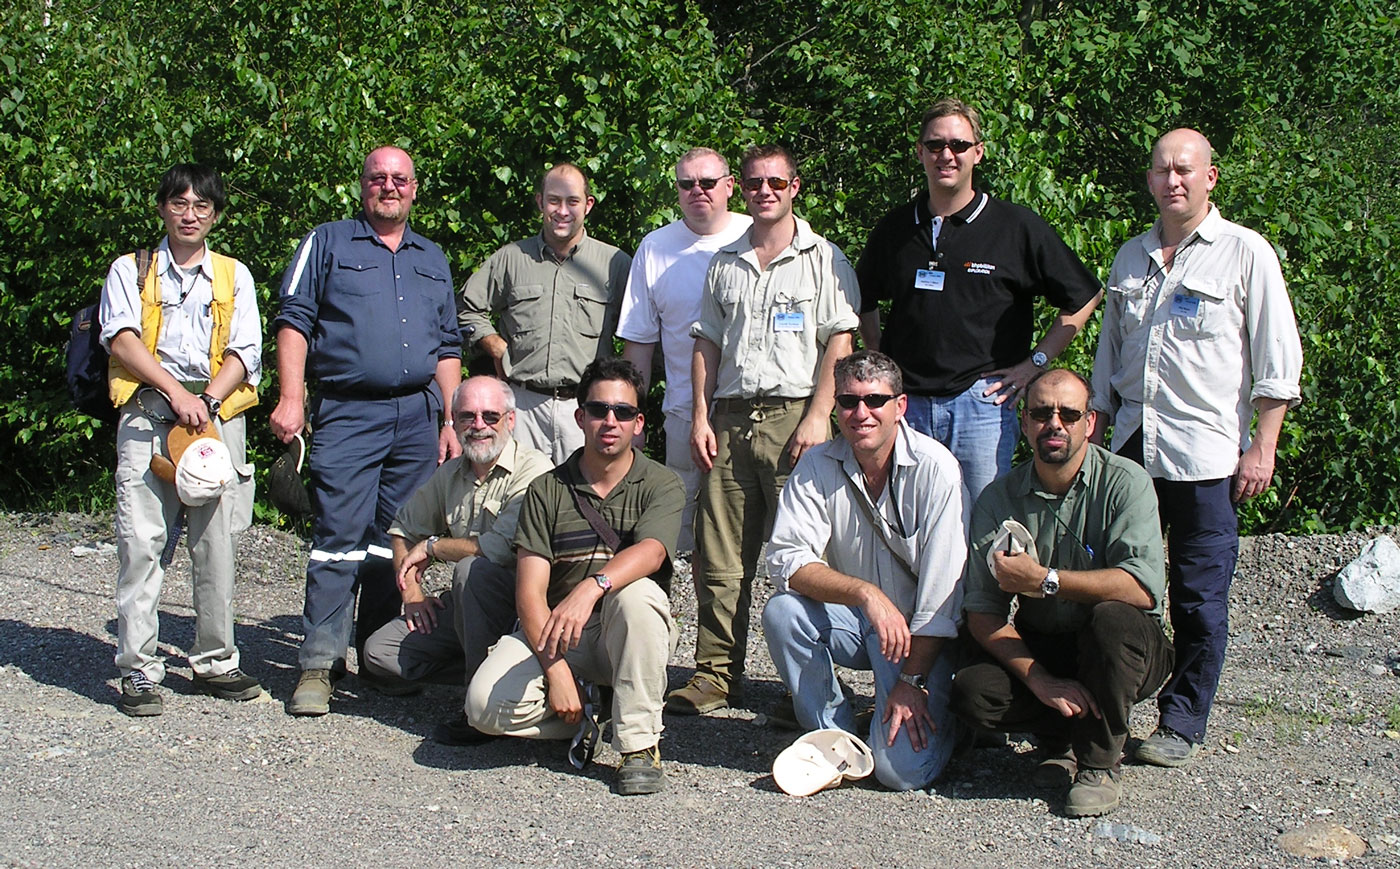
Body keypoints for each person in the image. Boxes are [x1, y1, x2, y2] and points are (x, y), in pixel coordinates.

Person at [1091, 128, 1303, 767]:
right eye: (1162, 170)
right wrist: (1096, 426)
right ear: (1150, 179)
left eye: (1185, 169)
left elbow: (1276, 361)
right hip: (1130, 453)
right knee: (1115, 589)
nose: (1173, 180)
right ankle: (1109, 708)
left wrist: (1262, 447)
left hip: (1206, 458)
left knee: (1199, 599)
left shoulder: (1245, 253)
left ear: (1210, 177)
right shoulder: (1130, 258)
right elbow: (1109, 356)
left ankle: (1182, 722)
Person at [272, 146, 463, 716]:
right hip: (350, 413)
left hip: (416, 417)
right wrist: (290, 397)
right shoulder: (328, 241)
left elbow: (448, 346)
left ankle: (378, 656)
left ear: (414, 189)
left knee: (395, 537)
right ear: (362, 186)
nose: (389, 187)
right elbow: (293, 319)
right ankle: (317, 664)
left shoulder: (433, 258)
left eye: (399, 179)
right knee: (339, 536)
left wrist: (450, 419)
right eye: (378, 178)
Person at [952, 369, 1173, 817]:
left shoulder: (1126, 482)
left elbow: (1144, 588)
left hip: (1124, 646)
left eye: (1069, 414)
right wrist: (1040, 678)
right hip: (1045, 642)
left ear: (1089, 423)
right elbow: (982, 611)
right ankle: (1059, 738)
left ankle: (1098, 764)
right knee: (971, 692)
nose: (1055, 423)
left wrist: (1044, 580)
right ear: (1025, 421)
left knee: (1111, 619)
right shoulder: (998, 498)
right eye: (1041, 412)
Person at [857, 97, 1102, 500]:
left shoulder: (1015, 226)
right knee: (906, 517)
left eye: (958, 145)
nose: (946, 155)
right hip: (908, 404)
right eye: (935, 145)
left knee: (980, 521)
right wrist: (881, 360)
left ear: (978, 152)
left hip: (983, 404)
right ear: (920, 152)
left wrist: (1035, 363)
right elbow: (863, 299)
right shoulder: (895, 229)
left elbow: (1084, 295)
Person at [465, 358, 683, 795]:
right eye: (599, 410)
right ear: (579, 417)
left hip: (630, 631)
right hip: (560, 633)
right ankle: (583, 717)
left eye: (623, 412)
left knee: (636, 595)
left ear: (639, 423)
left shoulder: (661, 483)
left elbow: (653, 551)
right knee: (481, 708)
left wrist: (591, 586)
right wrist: (556, 670)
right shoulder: (547, 489)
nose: (610, 421)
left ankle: (638, 746)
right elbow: (529, 593)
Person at [762, 351, 968, 790]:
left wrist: (912, 681)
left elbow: (943, 599)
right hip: (862, 620)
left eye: (875, 400)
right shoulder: (817, 465)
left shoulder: (937, 471)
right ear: (835, 407)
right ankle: (834, 736)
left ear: (900, 406)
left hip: (922, 635)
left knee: (899, 773)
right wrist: (864, 593)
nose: (861, 413)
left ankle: (953, 724)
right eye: (848, 402)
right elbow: (786, 559)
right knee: (783, 612)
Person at [100, 162, 263, 716]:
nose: (189, 215)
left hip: (215, 421)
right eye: (179, 204)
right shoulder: (131, 270)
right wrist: (177, 394)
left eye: (201, 206)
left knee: (217, 543)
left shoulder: (233, 274)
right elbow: (121, 340)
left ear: (215, 214)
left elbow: (246, 351)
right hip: (148, 416)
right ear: (162, 207)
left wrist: (208, 403)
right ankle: (139, 670)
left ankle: (215, 660)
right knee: (142, 543)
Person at [360, 375, 551, 742]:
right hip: (469, 609)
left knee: (471, 570)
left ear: (510, 420)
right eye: (467, 416)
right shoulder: (450, 474)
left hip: (525, 609)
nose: (478, 426)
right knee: (379, 654)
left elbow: (499, 548)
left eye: (490, 416)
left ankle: (477, 708)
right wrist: (412, 596)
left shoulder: (534, 471)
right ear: (455, 421)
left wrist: (434, 547)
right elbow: (401, 529)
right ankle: (491, 676)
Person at [618, 147, 752, 552]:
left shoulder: (758, 234)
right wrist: (631, 418)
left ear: (730, 186)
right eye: (687, 184)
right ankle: (682, 614)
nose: (698, 191)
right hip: (683, 414)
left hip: (751, 411)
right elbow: (639, 342)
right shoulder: (656, 247)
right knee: (682, 531)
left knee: (750, 530)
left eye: (708, 182)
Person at [458, 163, 632, 464]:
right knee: (518, 500)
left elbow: (640, 332)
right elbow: (465, 307)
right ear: (540, 202)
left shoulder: (615, 264)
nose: (562, 211)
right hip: (522, 407)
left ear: (588, 205)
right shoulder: (511, 259)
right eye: (554, 200)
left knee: (583, 500)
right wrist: (494, 345)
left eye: (572, 201)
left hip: (586, 409)